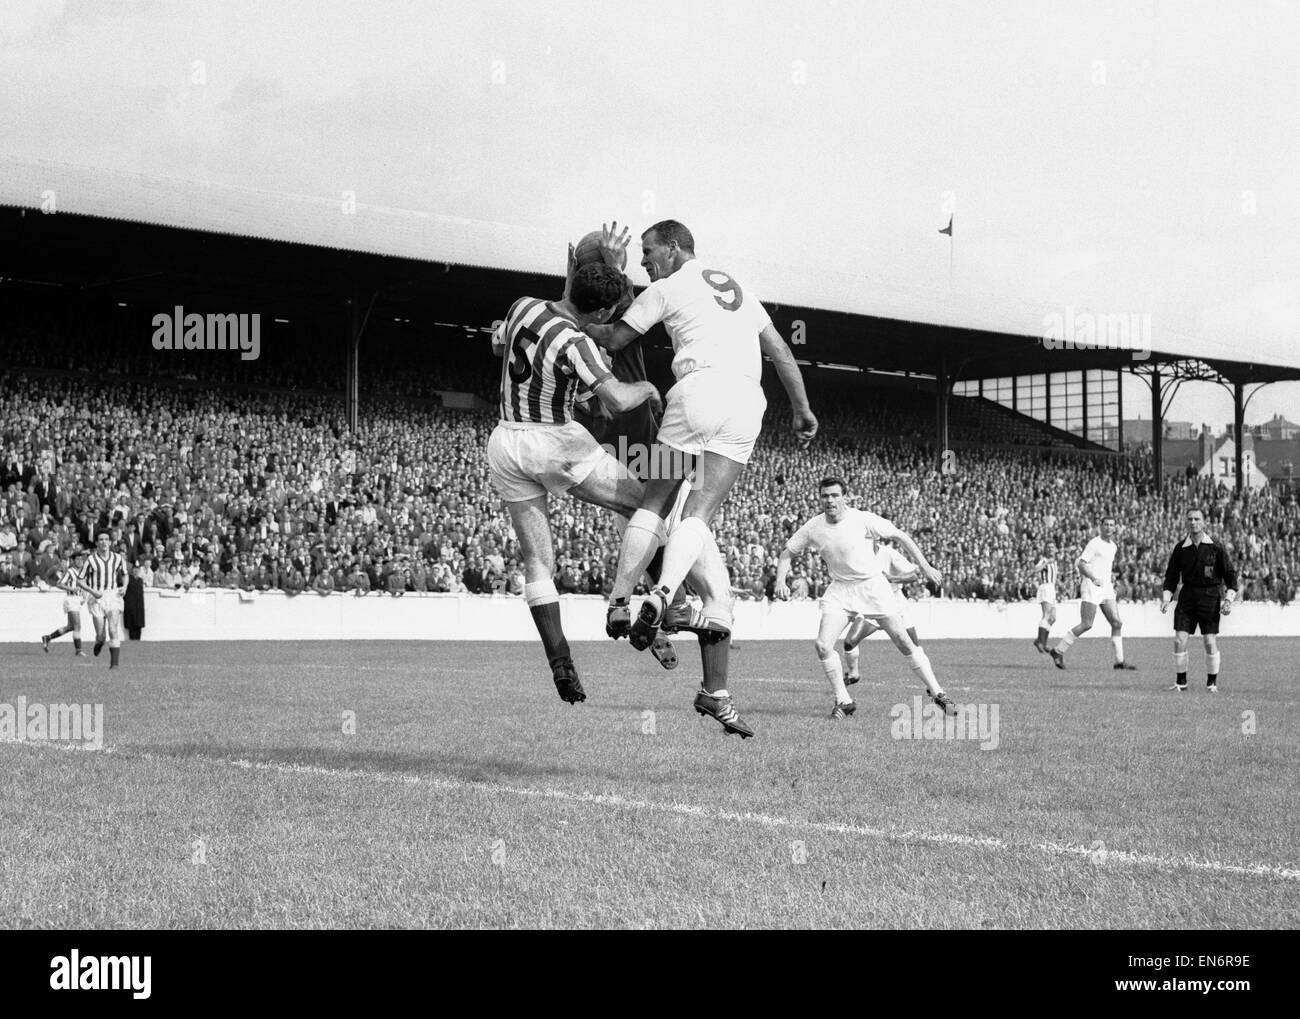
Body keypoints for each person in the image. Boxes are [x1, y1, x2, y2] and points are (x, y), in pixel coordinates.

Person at [585, 220, 818, 738]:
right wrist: (801, 409)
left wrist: (569, 321)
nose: (645, 261)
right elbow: (780, 352)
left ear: (673, 247)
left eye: (649, 251)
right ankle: (664, 599)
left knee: (657, 505)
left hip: (691, 398)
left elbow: (614, 334)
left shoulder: (665, 290)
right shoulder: (738, 288)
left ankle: (627, 600)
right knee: (701, 519)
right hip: (743, 402)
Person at [488, 261, 663, 705]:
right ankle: (659, 602)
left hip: (506, 442)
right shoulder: (576, 341)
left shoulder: (522, 305)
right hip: (554, 442)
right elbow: (619, 401)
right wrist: (647, 387)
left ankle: (561, 663)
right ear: (603, 312)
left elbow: (497, 347)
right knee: (643, 504)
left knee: (537, 563)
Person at [775, 478, 954, 719]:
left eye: (834, 495)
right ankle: (844, 700)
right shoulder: (813, 527)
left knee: (903, 640)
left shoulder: (862, 519)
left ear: (844, 498)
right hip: (840, 590)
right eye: (825, 496)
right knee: (823, 645)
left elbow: (901, 536)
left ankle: (937, 692)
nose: (830, 500)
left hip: (872, 587)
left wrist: (925, 566)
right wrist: (780, 581)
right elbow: (787, 553)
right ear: (820, 498)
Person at [1160, 507, 1238, 692]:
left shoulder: (1216, 547)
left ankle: (1212, 683)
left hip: (1210, 597)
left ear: (1204, 522)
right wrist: (1166, 598)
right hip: (1187, 597)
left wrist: (1228, 600)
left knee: (1210, 642)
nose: (1193, 522)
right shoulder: (1180, 548)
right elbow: (1171, 576)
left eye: (1197, 519)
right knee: (1179, 640)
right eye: (1190, 519)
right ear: (1185, 522)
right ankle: (1181, 682)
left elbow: (1230, 575)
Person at [1050, 516, 1137, 671]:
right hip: (1092, 586)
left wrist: (1110, 581)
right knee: (1087, 624)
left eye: (1112, 525)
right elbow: (1081, 564)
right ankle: (1058, 651)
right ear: (1101, 526)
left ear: (1115, 528)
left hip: (1106, 587)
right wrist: (1093, 578)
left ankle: (1119, 662)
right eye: (1106, 525)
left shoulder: (1113, 546)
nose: (1109, 527)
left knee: (1117, 623)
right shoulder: (1094, 544)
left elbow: (1103, 566)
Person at [839, 536, 924, 683]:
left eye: (868, 538)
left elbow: (914, 575)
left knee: (913, 647)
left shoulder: (888, 553)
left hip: (895, 603)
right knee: (849, 642)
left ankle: (931, 687)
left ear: (876, 539)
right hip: (872, 604)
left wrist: (891, 578)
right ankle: (853, 674)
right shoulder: (856, 556)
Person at [79, 531, 128, 668]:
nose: (104, 542)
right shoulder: (90, 560)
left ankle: (114, 665)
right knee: (101, 635)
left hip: (113, 596)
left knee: (113, 630)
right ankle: (99, 642)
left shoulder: (118, 558)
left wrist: (124, 586)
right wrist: (92, 591)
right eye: (101, 539)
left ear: (110, 542)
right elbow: (80, 580)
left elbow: (125, 575)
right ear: (96, 543)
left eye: (107, 539)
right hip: (96, 597)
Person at [40, 552, 87, 656]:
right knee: (77, 626)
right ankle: (78, 651)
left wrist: (84, 597)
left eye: (81, 559)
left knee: (70, 626)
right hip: (71, 599)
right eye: (78, 559)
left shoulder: (82, 572)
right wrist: (71, 588)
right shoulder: (70, 571)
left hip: (77, 600)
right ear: (73, 561)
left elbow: (83, 586)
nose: (80, 561)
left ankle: (47, 637)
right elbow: (59, 584)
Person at [1031, 542, 1060, 653]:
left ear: (1055, 549)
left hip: (1052, 588)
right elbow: (1036, 569)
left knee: (1053, 618)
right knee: (1046, 615)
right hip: (1046, 587)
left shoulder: (1055, 561)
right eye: (1048, 547)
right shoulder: (1044, 560)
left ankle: (1042, 641)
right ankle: (1040, 642)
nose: (1050, 549)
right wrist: (1046, 563)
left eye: (1052, 547)